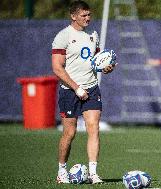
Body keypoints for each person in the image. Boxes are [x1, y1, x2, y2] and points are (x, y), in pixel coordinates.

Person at [51, 0, 115, 184]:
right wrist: (76, 88)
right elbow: (57, 68)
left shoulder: (93, 34)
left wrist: (105, 67)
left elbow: (96, 61)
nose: (88, 18)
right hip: (70, 91)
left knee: (93, 127)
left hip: (92, 88)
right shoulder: (63, 36)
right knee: (69, 133)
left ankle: (93, 173)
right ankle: (62, 170)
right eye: (83, 15)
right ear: (73, 16)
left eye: (89, 15)